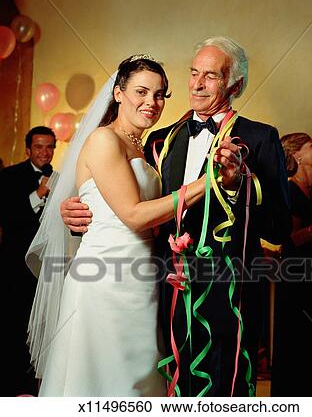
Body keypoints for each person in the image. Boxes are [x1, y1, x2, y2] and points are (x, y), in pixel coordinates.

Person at [62, 37, 291, 397]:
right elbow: (125, 204)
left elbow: (279, 226)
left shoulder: (261, 138)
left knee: (222, 388)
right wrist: (74, 210)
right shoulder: (159, 140)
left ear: (237, 85)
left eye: (211, 76)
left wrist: (237, 186)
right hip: (159, 291)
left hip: (226, 296)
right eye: (193, 73)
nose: (197, 84)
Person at [27, 55, 218, 397]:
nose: (152, 102)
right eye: (141, 92)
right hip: (105, 281)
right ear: (118, 93)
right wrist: (208, 183)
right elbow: (132, 214)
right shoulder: (104, 140)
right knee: (106, 380)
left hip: (144, 279)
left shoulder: (151, 146)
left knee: (140, 379)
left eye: (160, 94)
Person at [271, 132, 312, 396]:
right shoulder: (288, 190)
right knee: (298, 339)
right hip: (296, 277)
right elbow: (294, 238)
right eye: (311, 146)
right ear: (297, 155)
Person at [0, 126, 56, 396]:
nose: (45, 153)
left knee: (45, 328)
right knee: (15, 328)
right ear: (28, 150)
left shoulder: (62, 177)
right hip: (14, 268)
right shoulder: (9, 176)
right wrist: (39, 195)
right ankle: (12, 389)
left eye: (49, 147)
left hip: (47, 270)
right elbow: (7, 217)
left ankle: (38, 387)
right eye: (39, 147)